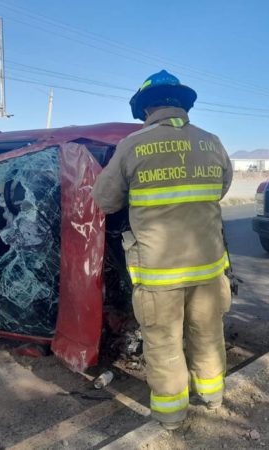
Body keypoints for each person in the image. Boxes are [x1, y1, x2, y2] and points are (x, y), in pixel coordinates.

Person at [92, 70, 233, 429]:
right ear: (183, 105)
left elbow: (105, 201)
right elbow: (220, 188)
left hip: (159, 272)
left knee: (164, 343)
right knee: (208, 332)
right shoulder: (212, 142)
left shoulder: (132, 145)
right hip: (208, 267)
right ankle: (213, 396)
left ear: (145, 108)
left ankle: (171, 419)